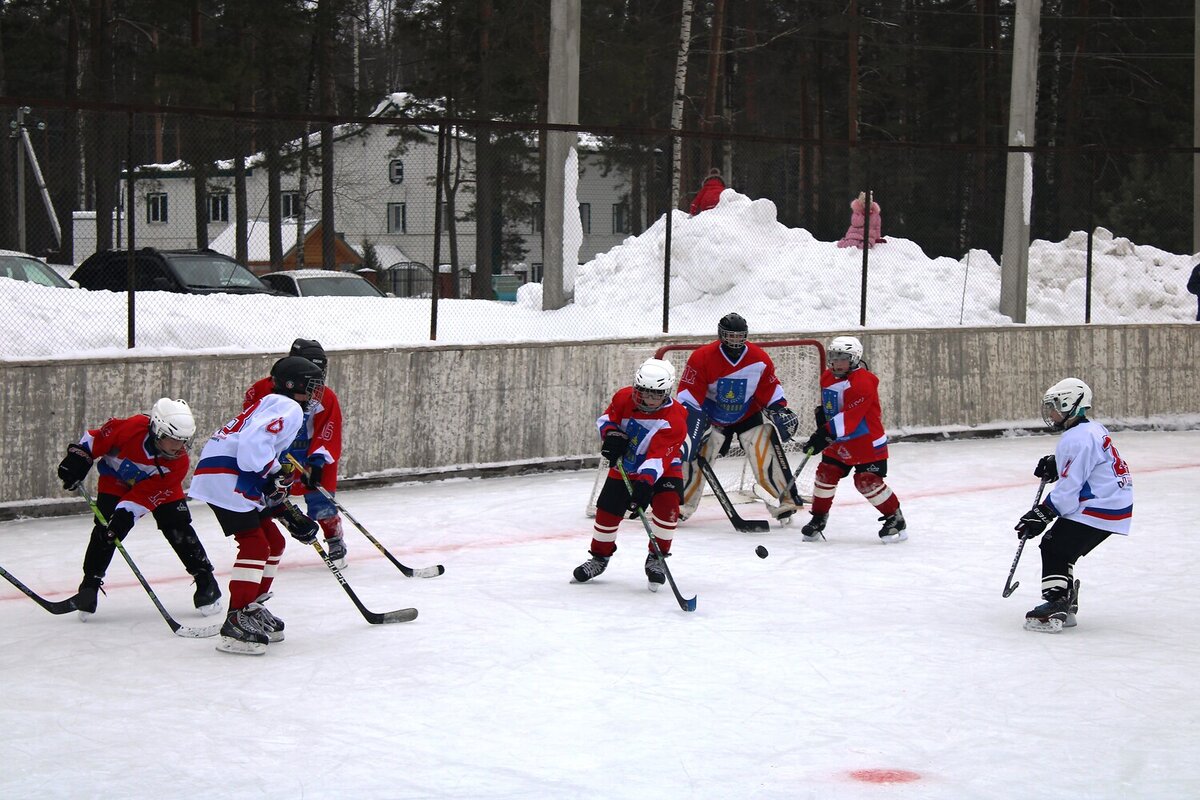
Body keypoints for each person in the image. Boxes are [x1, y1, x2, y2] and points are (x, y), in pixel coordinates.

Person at [189, 356, 323, 656]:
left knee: (273, 542)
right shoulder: (288, 407)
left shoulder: (272, 402)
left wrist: (283, 507)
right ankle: (236, 621)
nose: (316, 393)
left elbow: (257, 458)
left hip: (225, 473)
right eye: (312, 386)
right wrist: (275, 474)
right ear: (294, 385)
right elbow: (252, 449)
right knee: (255, 545)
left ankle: (250, 608)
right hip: (226, 477)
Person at [56, 398, 222, 620]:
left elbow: (144, 496)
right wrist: (78, 459)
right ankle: (89, 586)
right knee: (105, 528)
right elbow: (94, 442)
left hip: (157, 488)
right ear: (156, 430)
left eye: (182, 440)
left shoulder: (177, 463)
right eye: (171, 439)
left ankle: (205, 580)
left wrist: (125, 514)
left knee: (177, 526)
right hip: (115, 479)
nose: (178, 447)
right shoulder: (129, 428)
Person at [1014, 378, 1133, 633]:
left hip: (1102, 505)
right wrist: (1058, 462)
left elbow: (1068, 492)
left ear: (1070, 403)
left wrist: (1041, 514)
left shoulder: (1076, 438)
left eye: (1055, 406)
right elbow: (1087, 462)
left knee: (1054, 545)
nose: (1051, 412)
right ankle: (1066, 600)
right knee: (1062, 546)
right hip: (1113, 501)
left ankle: (1057, 603)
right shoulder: (1091, 429)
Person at [573, 358, 689, 592]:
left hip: (664, 467)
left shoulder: (675, 418)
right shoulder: (623, 397)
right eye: (644, 392)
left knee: (668, 508)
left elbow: (657, 458)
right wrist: (611, 435)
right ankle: (599, 558)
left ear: (666, 392)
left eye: (656, 395)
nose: (648, 399)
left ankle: (657, 558)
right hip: (626, 464)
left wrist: (644, 485)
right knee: (607, 511)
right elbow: (606, 420)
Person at [676, 313, 801, 524]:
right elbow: (688, 394)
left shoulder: (759, 358)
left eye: (739, 336)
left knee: (764, 446)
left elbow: (770, 388)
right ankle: (679, 505)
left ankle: (783, 504)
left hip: (747, 414)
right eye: (730, 336)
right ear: (721, 335)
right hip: (711, 416)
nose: (735, 341)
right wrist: (695, 422)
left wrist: (779, 408)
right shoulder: (702, 357)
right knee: (693, 454)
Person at [243, 339, 347, 569]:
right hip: (278, 452)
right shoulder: (262, 390)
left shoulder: (326, 397)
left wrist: (317, 462)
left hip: (310, 452)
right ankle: (262, 543)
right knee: (269, 498)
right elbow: (250, 424)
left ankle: (334, 537)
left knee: (321, 498)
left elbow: (328, 430)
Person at [798, 335, 906, 543]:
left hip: (866, 442)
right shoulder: (827, 377)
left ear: (854, 359)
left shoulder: (863, 383)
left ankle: (895, 518)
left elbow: (850, 418)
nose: (836, 363)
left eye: (842, 358)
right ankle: (819, 518)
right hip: (838, 441)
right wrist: (823, 418)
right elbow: (833, 408)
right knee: (826, 474)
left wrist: (822, 435)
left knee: (867, 481)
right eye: (834, 357)